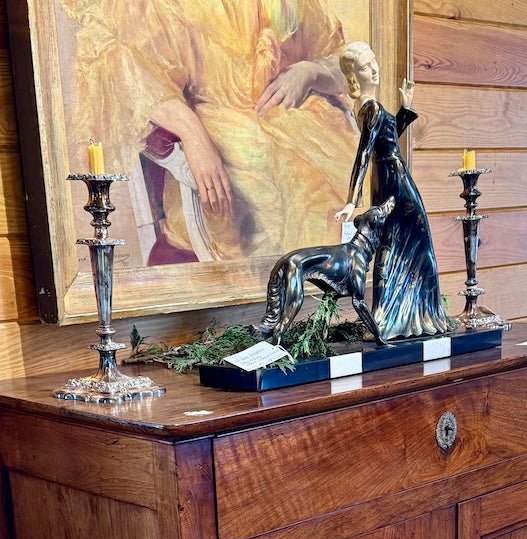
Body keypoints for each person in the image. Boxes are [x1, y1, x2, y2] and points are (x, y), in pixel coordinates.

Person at [61, 0, 360, 264]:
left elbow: (341, 59)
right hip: (224, 136)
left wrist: (310, 72)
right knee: (263, 194)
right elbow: (121, 65)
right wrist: (192, 133)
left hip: (307, 128)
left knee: (344, 203)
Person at [335, 41, 447, 340]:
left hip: (386, 178)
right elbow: (363, 152)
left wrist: (405, 110)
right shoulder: (370, 107)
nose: (374, 68)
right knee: (415, 245)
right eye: (365, 67)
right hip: (395, 179)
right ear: (354, 76)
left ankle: (398, 316)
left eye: (373, 61)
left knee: (397, 244)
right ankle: (406, 315)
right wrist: (351, 200)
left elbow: (387, 138)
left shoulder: (367, 106)